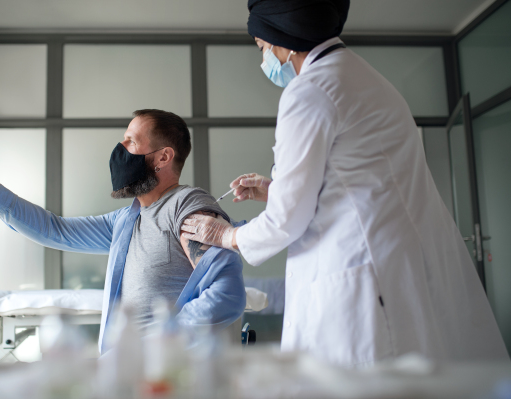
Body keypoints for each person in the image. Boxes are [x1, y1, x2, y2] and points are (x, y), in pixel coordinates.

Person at [181, 0, 509, 366]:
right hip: (395, 262)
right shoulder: (366, 78)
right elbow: (362, 181)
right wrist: (276, 190)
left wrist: (225, 236)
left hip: (362, 278)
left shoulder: (309, 92)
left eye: (261, 48)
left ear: (282, 40)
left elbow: (287, 220)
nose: (264, 61)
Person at [0, 109, 246, 355]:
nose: (120, 152)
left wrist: (164, 343)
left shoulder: (187, 206)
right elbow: (56, 230)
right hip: (129, 375)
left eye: (130, 143)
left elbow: (227, 293)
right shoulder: (127, 221)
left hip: (166, 377)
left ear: (163, 157)